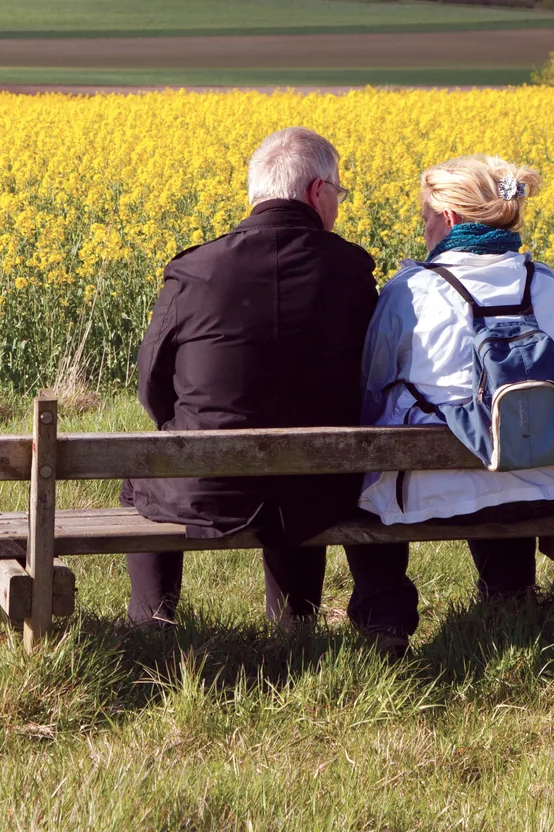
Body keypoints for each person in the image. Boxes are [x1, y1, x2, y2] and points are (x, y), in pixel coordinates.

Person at [124, 126, 389, 635]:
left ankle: (152, 625)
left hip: (208, 485)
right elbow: (372, 375)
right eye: (338, 192)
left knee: (139, 474)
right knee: (301, 467)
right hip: (324, 488)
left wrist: (182, 430)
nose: (338, 204)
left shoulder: (194, 271)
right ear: (317, 191)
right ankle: (295, 624)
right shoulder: (351, 271)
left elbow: (151, 382)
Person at [347, 154, 554, 644]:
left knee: (370, 474)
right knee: (506, 461)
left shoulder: (413, 291)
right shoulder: (546, 284)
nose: (424, 229)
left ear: (448, 218)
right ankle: (510, 599)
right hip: (550, 487)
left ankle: (385, 622)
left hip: (432, 495)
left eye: (425, 217)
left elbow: (373, 381)